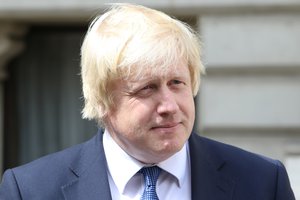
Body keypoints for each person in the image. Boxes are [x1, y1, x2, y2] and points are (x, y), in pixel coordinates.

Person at [0, 3, 295, 200]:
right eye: (147, 89)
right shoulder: (30, 190)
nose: (169, 106)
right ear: (102, 100)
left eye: (177, 83)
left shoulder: (262, 183)